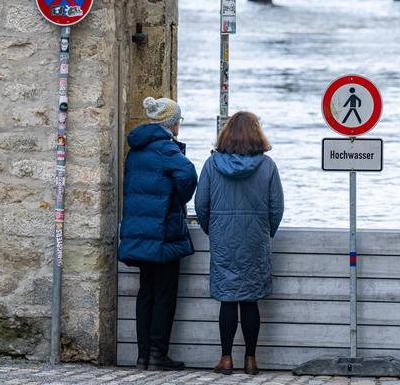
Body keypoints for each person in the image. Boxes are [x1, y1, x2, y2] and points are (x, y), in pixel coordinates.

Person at [194, 111, 284, 376]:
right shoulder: (267, 165)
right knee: (250, 299)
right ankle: (251, 360)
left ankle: (225, 359)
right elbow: (277, 207)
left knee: (227, 298)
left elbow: (201, 205)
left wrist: (213, 230)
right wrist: (266, 232)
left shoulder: (212, 164)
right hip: (255, 239)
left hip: (223, 238)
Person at [118, 97, 198, 371]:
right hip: (163, 232)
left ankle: (142, 356)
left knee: (146, 292)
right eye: (178, 120)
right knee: (164, 294)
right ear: (171, 123)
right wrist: (177, 199)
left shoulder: (137, 149)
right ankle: (158, 353)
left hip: (140, 231)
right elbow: (188, 175)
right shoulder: (166, 148)